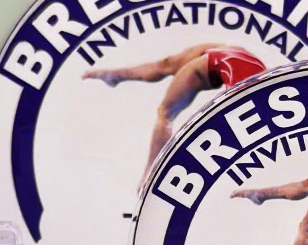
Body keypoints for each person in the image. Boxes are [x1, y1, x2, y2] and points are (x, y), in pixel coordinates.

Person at [83, 44, 266, 183]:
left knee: (165, 113)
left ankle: (150, 174)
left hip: (225, 57)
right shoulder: (246, 96)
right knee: (166, 66)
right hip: (225, 57)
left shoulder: (245, 98)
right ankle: (114, 76)